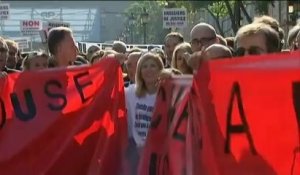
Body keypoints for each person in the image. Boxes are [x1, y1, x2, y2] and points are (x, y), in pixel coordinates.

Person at [125, 52, 164, 151]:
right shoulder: (131, 92)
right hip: (136, 149)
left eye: (153, 66)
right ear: (140, 71)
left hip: (159, 149)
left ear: (160, 70)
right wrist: (114, 60)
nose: (148, 69)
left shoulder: (167, 93)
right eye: (144, 66)